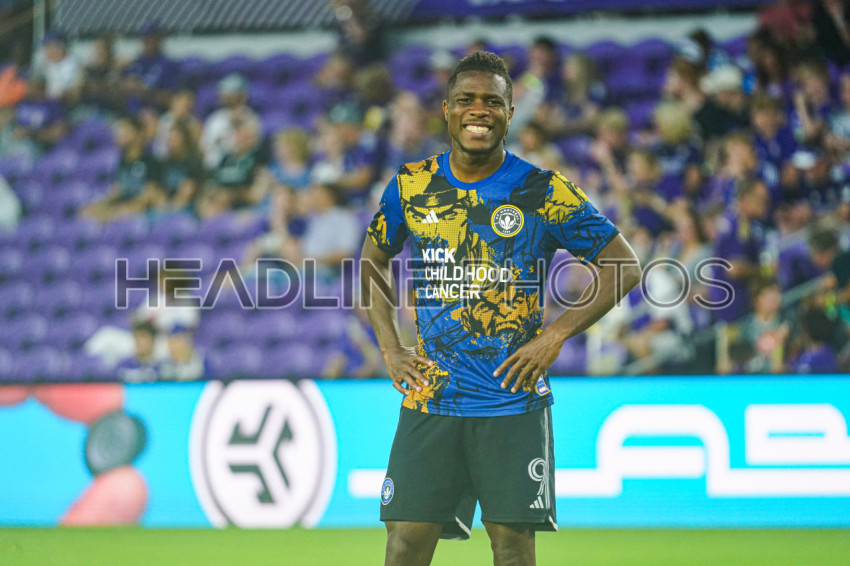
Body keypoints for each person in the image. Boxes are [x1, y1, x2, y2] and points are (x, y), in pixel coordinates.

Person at [360, 51, 641, 566]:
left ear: (510, 114)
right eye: (466, 100)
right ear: (446, 110)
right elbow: (373, 260)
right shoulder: (411, 185)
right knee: (404, 545)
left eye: (492, 102)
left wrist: (554, 335)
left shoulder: (543, 190)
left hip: (512, 401)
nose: (479, 110)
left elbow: (623, 266)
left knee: (512, 549)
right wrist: (391, 348)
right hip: (432, 398)